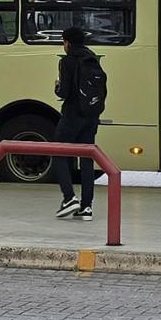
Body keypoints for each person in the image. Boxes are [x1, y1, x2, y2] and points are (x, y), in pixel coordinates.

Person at [52, 26, 107, 222]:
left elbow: (64, 92)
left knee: (58, 151)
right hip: (91, 117)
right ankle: (87, 207)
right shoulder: (92, 59)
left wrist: (57, 86)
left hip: (72, 116)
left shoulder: (68, 61)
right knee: (86, 159)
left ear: (67, 42)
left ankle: (69, 198)